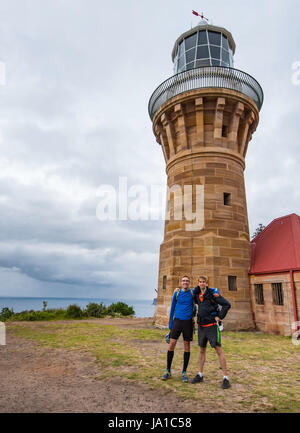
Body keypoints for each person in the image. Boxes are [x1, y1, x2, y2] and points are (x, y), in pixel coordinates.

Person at [191, 276, 231, 389]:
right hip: (201, 327)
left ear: (207, 283)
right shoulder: (197, 294)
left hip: (212, 327)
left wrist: (219, 317)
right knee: (201, 350)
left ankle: (225, 377)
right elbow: (189, 294)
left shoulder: (213, 294)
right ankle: (200, 374)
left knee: (218, 350)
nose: (202, 284)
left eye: (204, 282)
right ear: (198, 283)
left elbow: (227, 304)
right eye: (200, 282)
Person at [162, 275, 195, 383]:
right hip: (177, 321)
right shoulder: (176, 293)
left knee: (187, 346)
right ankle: (168, 370)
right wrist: (170, 325)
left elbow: (204, 289)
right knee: (171, 345)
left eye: (187, 281)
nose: (185, 282)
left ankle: (184, 372)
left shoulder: (192, 293)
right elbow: (172, 310)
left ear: (189, 283)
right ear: (181, 283)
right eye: (183, 280)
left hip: (188, 322)